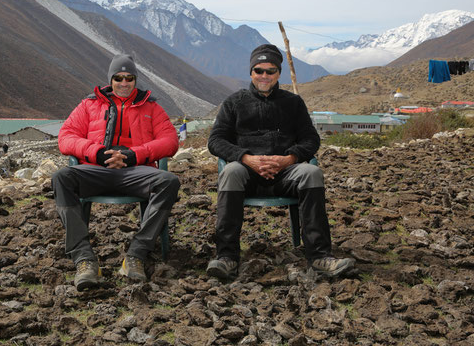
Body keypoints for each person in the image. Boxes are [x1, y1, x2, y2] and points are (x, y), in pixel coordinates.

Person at [206, 44, 355, 279]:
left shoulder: (293, 103)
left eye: (270, 71)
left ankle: (320, 257)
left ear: (278, 74)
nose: (264, 76)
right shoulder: (234, 102)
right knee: (231, 171)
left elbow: (311, 139)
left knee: (311, 173)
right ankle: (227, 257)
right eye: (259, 70)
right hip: (247, 174)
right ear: (251, 72)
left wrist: (289, 159)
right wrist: (246, 158)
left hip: (286, 174)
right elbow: (215, 141)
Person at [52, 54, 180, 291]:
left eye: (129, 77)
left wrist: (134, 155)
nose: (124, 82)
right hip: (95, 170)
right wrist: (98, 153)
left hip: (136, 172)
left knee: (169, 181)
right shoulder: (89, 105)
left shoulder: (151, 106)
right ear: (110, 79)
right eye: (118, 77)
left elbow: (171, 141)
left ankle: (136, 255)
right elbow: (66, 136)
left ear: (135, 79)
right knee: (62, 178)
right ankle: (85, 260)